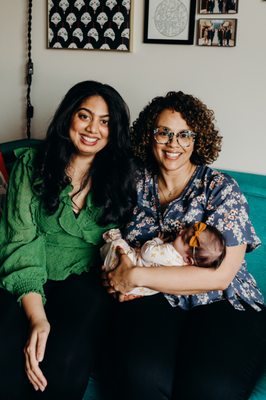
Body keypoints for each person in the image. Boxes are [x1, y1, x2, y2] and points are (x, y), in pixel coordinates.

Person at [102, 90, 266, 400]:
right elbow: (109, 236)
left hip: (223, 302)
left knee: (210, 388)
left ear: (197, 138)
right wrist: (115, 270)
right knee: (142, 377)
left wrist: (134, 277)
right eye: (163, 132)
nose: (173, 143)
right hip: (154, 300)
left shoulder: (219, 188)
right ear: (150, 135)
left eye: (184, 134)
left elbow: (220, 276)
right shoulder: (134, 182)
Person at [0, 80, 136, 399]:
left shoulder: (124, 176)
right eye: (84, 116)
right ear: (68, 119)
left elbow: (126, 246)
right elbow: (20, 243)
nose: (93, 129)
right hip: (27, 273)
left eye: (105, 122)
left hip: (86, 279)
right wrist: (38, 318)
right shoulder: (31, 165)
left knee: (64, 359)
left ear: (114, 130)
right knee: (7, 351)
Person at [101, 222, 226, 296]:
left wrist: (157, 241)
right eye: (185, 230)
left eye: (183, 237)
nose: (180, 231)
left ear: (188, 259)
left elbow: (147, 252)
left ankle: (111, 239)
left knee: (117, 244)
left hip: (127, 267)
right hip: (135, 286)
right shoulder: (182, 265)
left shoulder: (170, 252)